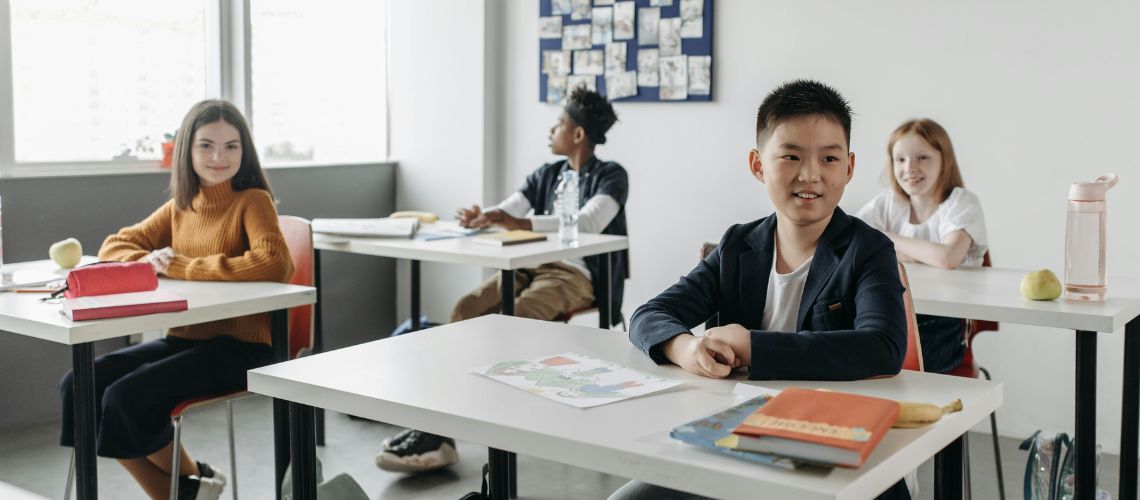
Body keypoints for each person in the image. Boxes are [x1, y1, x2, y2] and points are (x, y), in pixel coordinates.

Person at [613, 80, 911, 500]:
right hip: (735, 442)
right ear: (758, 165)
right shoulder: (738, 246)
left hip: (836, 452)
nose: (810, 174)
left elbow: (882, 347)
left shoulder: (867, 250)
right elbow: (649, 315)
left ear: (849, 167)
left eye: (829, 158)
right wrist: (684, 348)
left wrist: (753, 347)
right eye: (790, 156)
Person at [375, 87, 629, 473]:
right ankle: (439, 430)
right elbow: (511, 208)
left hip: (578, 273)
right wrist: (487, 215)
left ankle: (490, 431)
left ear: (578, 134)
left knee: (518, 317)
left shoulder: (611, 176)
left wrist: (519, 222)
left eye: (559, 122)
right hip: (528, 264)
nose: (552, 129)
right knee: (466, 309)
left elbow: (588, 223)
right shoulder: (547, 173)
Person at [58, 100, 294, 500]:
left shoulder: (252, 200)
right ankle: (191, 487)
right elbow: (115, 245)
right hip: (186, 339)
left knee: (124, 398)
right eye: (206, 145)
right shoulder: (181, 206)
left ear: (245, 151)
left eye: (231, 146)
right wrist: (147, 260)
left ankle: (187, 490)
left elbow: (274, 263)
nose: (219, 157)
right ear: (187, 149)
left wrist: (181, 266)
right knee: (79, 386)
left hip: (243, 348)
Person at [855, 118, 988, 374]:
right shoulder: (889, 203)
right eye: (900, 159)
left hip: (942, 326)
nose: (910, 168)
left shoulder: (961, 202)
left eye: (923, 157)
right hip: (891, 311)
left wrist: (886, 238)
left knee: (882, 364)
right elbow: (853, 239)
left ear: (944, 161)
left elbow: (948, 257)